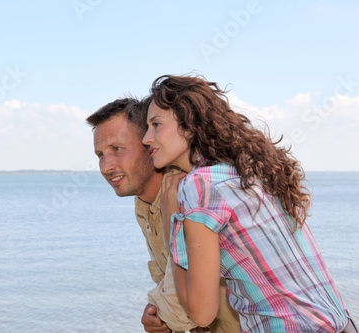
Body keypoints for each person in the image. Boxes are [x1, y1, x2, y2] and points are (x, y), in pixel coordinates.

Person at [141, 74, 357, 332]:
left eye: (156, 125)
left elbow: (201, 313)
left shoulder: (200, 185)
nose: (146, 138)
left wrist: (171, 217)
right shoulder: (251, 170)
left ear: (189, 124)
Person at [86, 98, 240, 333]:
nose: (106, 166)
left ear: (150, 144)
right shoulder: (144, 203)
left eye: (117, 149)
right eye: (100, 155)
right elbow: (163, 277)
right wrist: (158, 312)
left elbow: (180, 311)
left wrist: (159, 312)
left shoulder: (186, 193)